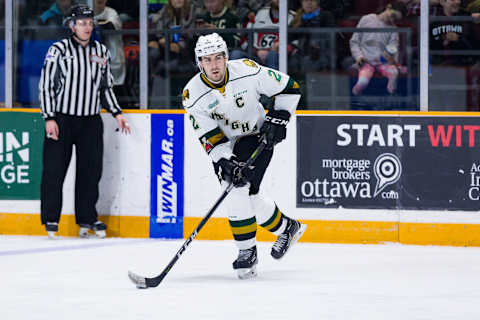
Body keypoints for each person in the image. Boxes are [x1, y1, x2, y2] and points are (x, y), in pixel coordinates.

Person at [182, 33, 307, 279]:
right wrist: (223, 159)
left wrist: (279, 117)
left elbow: (290, 87)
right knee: (248, 196)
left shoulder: (247, 71)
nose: (214, 64)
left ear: (226, 57)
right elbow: (209, 135)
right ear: (199, 62)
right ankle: (287, 227)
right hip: (227, 144)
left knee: (237, 189)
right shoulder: (192, 94)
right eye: (207, 60)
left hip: (257, 136)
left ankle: (246, 252)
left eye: (219, 57)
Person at [39, 4, 131, 239]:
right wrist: (49, 117)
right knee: (54, 171)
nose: (87, 27)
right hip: (61, 119)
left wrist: (117, 112)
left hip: (90, 121)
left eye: (90, 23)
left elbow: (106, 87)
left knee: (90, 172)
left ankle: (87, 218)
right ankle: (51, 219)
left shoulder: (101, 51)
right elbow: (46, 85)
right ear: (72, 25)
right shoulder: (58, 50)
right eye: (82, 23)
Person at [349, 1, 407, 96]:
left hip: (382, 63)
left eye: (396, 20)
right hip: (365, 62)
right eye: (393, 15)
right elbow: (354, 42)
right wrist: (359, 57)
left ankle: (391, 94)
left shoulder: (393, 29)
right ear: (388, 7)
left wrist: (389, 58)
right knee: (363, 82)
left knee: (394, 73)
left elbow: (393, 47)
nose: (392, 20)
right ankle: (355, 95)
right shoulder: (366, 19)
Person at [94, 0, 127, 104]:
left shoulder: (112, 13)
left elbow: (109, 26)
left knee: (116, 92)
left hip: (114, 60)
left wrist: (93, 24)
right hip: (95, 59)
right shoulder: (87, 13)